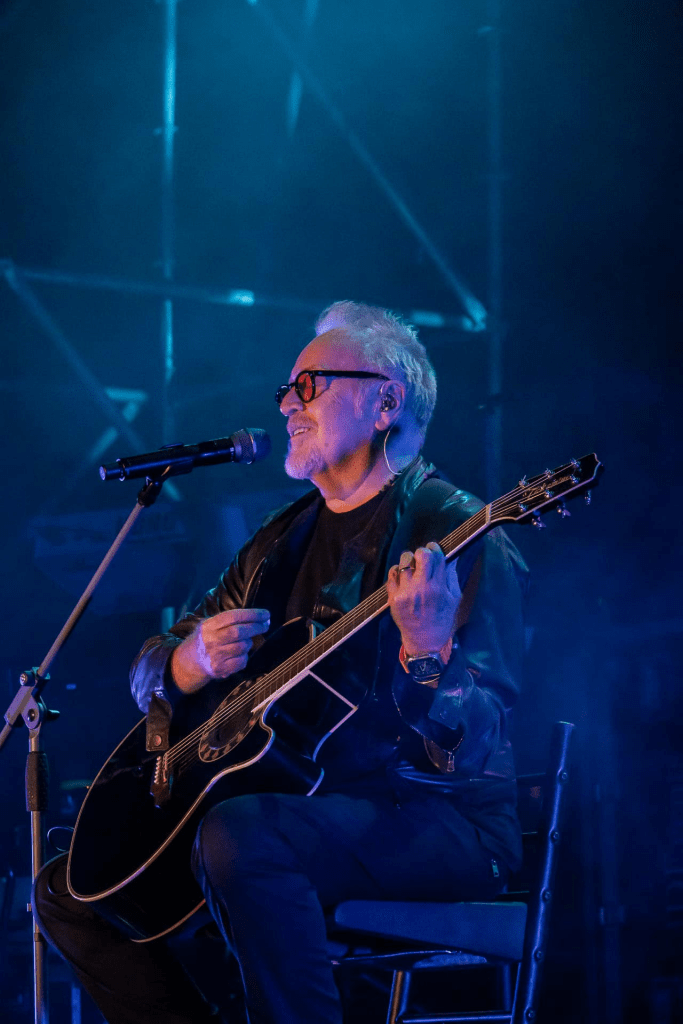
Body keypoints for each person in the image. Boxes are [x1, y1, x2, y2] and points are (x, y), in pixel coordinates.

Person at [34, 301, 528, 1024]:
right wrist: (188, 662)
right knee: (70, 891)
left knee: (241, 835)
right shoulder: (277, 542)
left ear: (385, 402)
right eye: (286, 391)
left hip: (435, 819)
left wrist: (429, 654)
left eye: (310, 386)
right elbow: (149, 669)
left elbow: (474, 747)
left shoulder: (455, 533)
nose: (288, 406)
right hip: (287, 805)